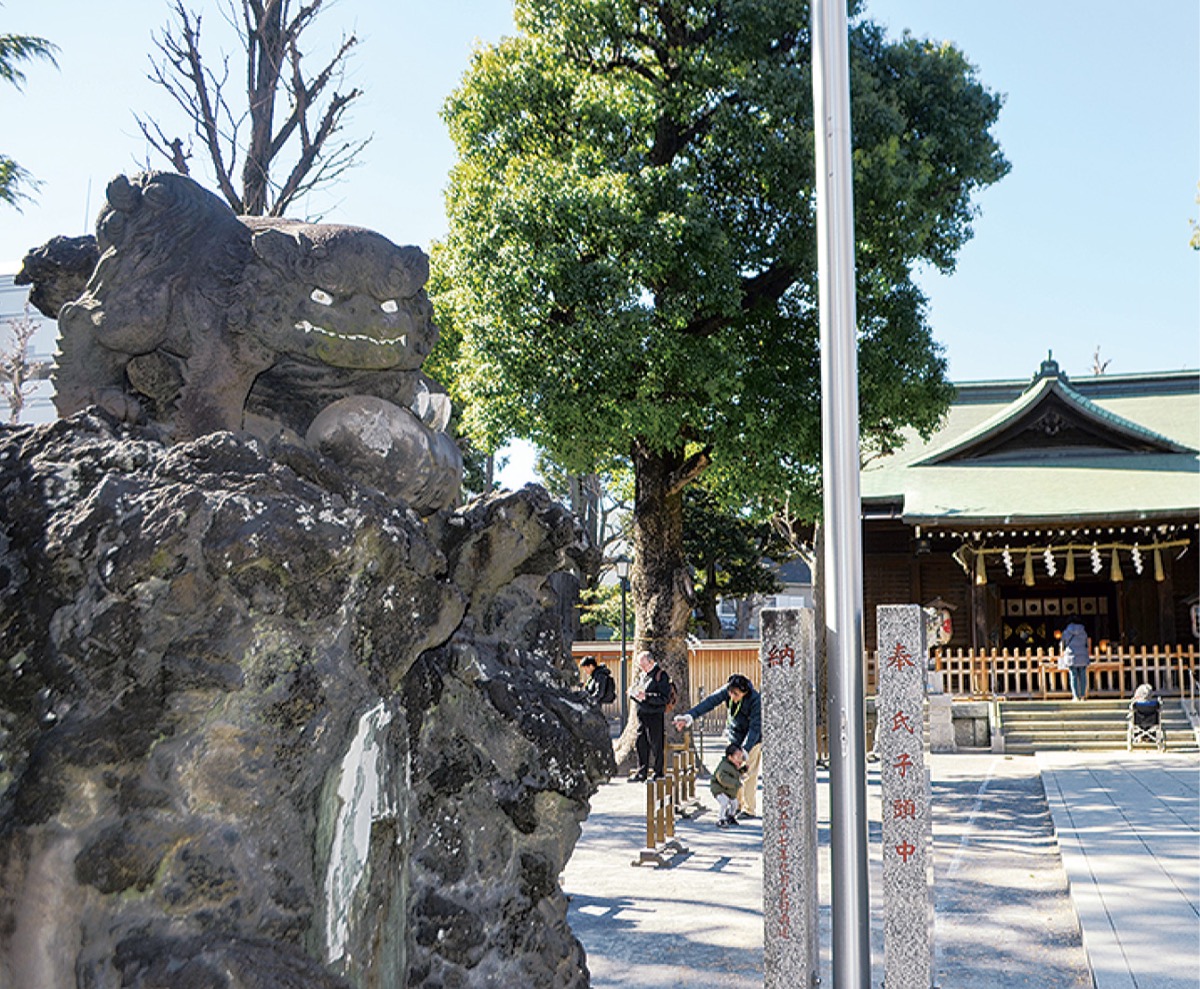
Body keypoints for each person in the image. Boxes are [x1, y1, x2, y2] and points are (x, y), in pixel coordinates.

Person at [674, 673, 763, 818]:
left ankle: (749, 809)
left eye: (736, 694)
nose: (732, 696)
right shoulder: (728, 691)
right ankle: (737, 804)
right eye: (730, 692)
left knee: (748, 772)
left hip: (752, 740)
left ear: (744, 693)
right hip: (735, 736)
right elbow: (709, 702)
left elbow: (755, 727)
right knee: (732, 771)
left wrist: (746, 749)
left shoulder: (755, 700)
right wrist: (689, 716)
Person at [630, 651, 672, 781]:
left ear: (651, 662)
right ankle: (642, 771)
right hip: (642, 714)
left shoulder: (661, 675)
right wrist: (633, 693)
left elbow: (664, 698)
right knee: (641, 743)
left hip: (655, 714)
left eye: (644, 664)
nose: (642, 667)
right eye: (640, 664)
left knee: (656, 743)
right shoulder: (643, 675)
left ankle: (658, 772)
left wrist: (646, 697)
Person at [711, 744, 746, 828]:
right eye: (737, 757)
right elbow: (723, 778)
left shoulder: (733, 765)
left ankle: (730, 816)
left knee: (735, 803)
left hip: (729, 790)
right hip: (719, 789)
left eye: (741, 757)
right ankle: (721, 819)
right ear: (730, 757)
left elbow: (735, 774)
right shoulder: (724, 766)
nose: (740, 760)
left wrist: (743, 770)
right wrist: (736, 783)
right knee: (724, 802)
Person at [1059, 620, 1091, 701]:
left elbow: (1062, 644)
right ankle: (1083, 696)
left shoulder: (1066, 632)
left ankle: (1075, 696)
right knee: (1083, 676)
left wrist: (1062, 653)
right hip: (1082, 656)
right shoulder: (1083, 632)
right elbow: (1087, 643)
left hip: (1071, 655)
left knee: (1073, 676)